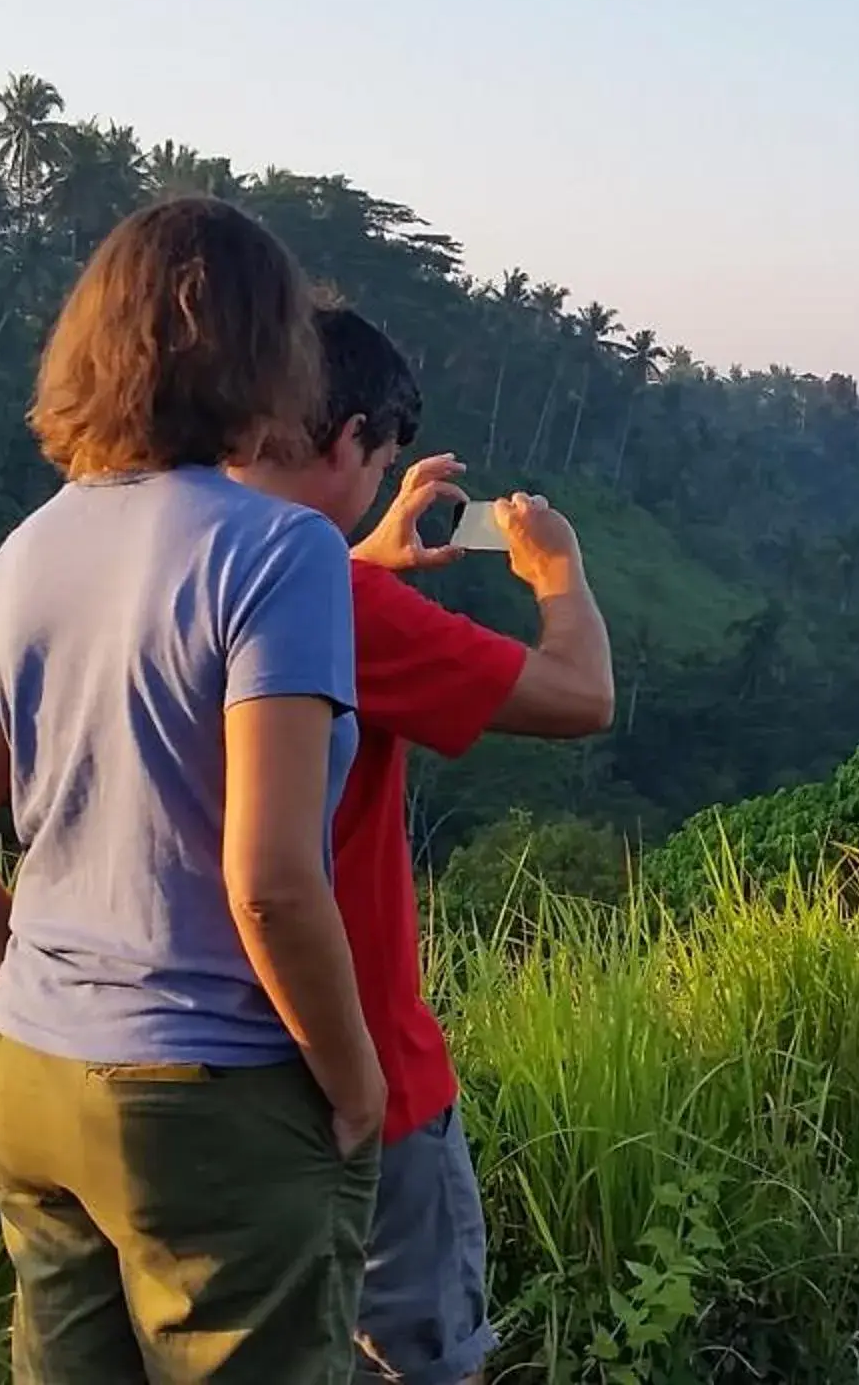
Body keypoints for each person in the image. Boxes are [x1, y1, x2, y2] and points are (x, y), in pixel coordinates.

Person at [0, 198, 383, 1385]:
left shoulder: (25, 552)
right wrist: (357, 1083)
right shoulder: (280, 551)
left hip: (28, 1076)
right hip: (211, 1101)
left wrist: (57, 1001)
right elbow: (268, 883)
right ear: (269, 355)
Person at [231, 305, 614, 1384]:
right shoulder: (336, 597)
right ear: (349, 438)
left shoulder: (168, 564)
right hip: (365, 1077)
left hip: (195, 1080)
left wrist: (370, 556)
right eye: (384, 459)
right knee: (417, 1359)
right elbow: (581, 696)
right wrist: (557, 571)